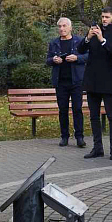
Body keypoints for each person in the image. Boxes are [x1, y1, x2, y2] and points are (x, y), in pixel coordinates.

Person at [78, 7, 112, 161]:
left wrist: (102, 40)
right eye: (102, 17)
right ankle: (97, 147)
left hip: (109, 80)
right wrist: (87, 37)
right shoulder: (93, 32)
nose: (104, 19)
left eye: (107, 17)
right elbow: (80, 49)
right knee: (93, 116)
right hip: (92, 80)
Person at [46, 17, 88, 148]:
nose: (62, 29)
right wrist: (53, 60)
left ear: (70, 28)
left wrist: (77, 58)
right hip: (61, 82)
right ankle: (64, 137)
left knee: (77, 109)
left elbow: (89, 56)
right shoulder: (54, 43)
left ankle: (79, 137)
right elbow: (47, 60)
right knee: (62, 110)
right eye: (59, 26)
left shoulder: (80, 41)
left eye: (64, 26)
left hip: (76, 81)